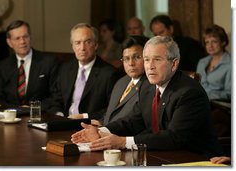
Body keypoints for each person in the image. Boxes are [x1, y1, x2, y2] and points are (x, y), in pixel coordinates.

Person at [71, 36, 223, 158]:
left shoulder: (189, 92)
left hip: (196, 159)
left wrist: (123, 142)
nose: (150, 66)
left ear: (174, 64)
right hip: (160, 154)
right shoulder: (147, 86)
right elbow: (133, 121)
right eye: (147, 59)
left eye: (157, 59)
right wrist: (101, 131)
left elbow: (174, 137)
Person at [48, 23, 121, 120]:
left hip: (90, 126)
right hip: (64, 123)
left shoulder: (109, 74)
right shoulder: (65, 69)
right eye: (77, 43)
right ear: (73, 47)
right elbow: (56, 99)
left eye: (87, 42)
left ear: (95, 45)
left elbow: (112, 109)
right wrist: (59, 115)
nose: (82, 48)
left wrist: (84, 116)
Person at [0, 20, 59, 110]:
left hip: (40, 115)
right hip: (10, 117)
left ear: (30, 37)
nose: (22, 42)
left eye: (25, 37)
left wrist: (32, 108)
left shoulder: (48, 62)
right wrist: (16, 111)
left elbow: (56, 96)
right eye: (17, 38)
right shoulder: (2, 66)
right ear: (9, 42)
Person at [93, 35, 148, 126]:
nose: (131, 63)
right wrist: (100, 122)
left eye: (137, 57)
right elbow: (112, 112)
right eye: (126, 59)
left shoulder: (150, 86)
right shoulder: (121, 82)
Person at [196, 24, 231, 100]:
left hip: (219, 105)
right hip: (199, 101)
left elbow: (229, 93)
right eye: (207, 42)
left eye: (214, 41)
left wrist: (206, 96)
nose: (210, 46)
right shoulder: (202, 62)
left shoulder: (231, 64)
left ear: (223, 42)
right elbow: (196, 86)